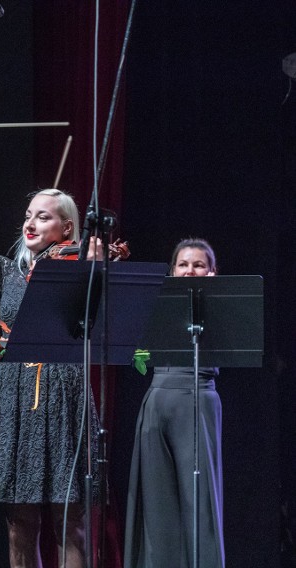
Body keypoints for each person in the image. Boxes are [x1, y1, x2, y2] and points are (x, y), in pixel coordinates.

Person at [0, 120, 101, 568]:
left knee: (70, 521)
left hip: (61, 387)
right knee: (19, 524)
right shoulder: (12, 270)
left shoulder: (74, 260)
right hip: (12, 392)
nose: (30, 222)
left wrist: (95, 261)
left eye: (42, 216)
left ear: (67, 229)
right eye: (28, 215)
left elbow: (94, 300)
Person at [123, 238, 224, 568]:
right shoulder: (155, 301)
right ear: (172, 270)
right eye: (183, 265)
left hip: (196, 399)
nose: (190, 270)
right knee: (157, 508)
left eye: (198, 265)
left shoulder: (223, 304)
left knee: (200, 503)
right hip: (157, 401)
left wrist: (212, 295)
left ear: (211, 272)